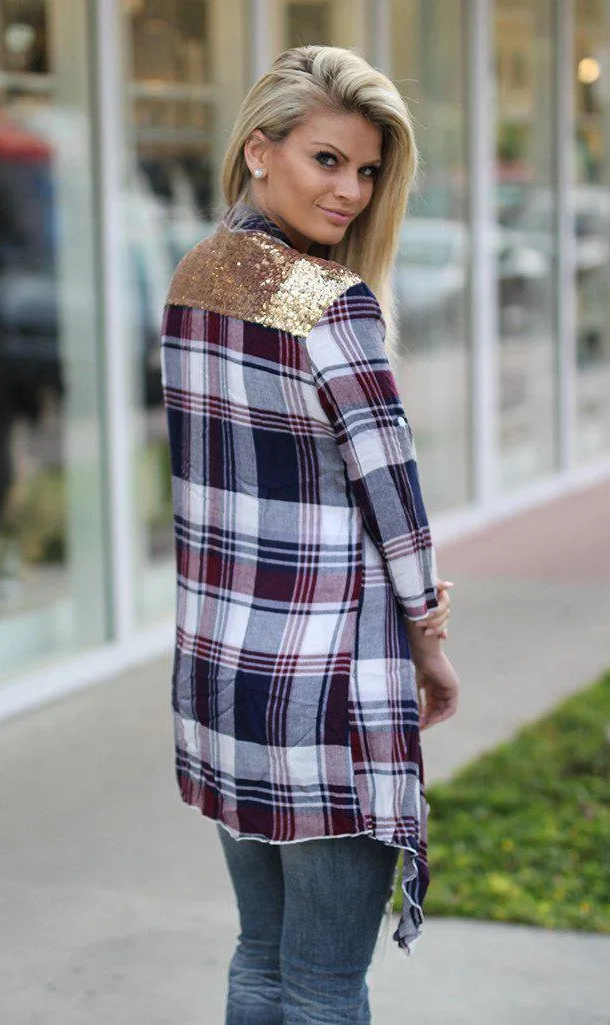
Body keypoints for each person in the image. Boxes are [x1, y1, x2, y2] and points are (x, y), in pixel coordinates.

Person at [161, 44, 460, 1025]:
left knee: (261, 956)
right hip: (329, 687)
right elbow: (394, 496)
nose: (351, 189)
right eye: (325, 160)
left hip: (227, 676)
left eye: (366, 169)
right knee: (325, 980)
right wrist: (430, 636)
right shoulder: (327, 303)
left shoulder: (195, 279)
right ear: (259, 150)